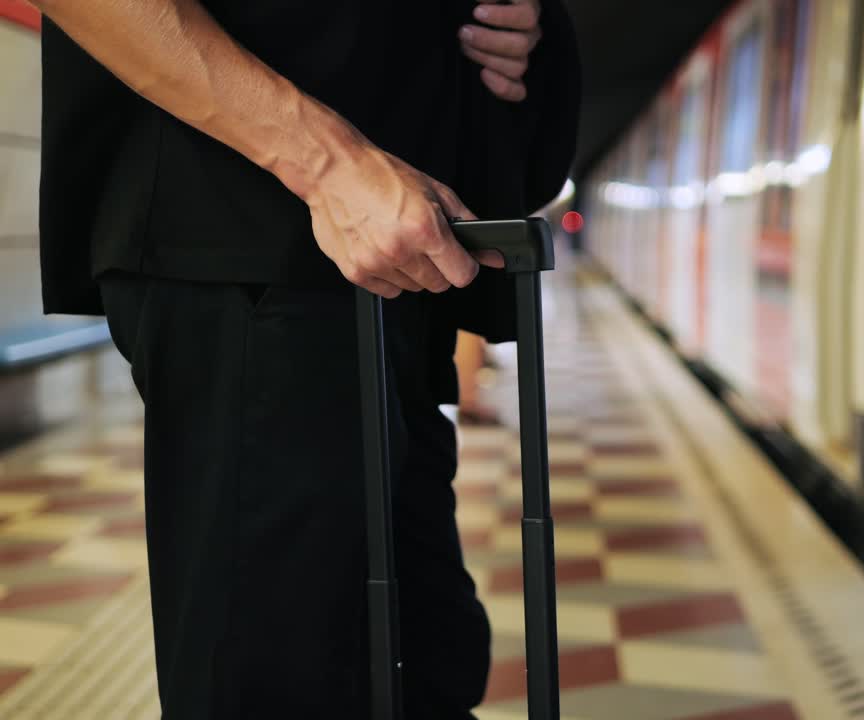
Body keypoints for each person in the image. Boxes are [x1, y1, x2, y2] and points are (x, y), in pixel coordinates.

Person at [32, 0, 579, 717]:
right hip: (264, 234)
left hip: (391, 244)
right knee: (284, 678)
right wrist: (329, 165)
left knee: (423, 662)